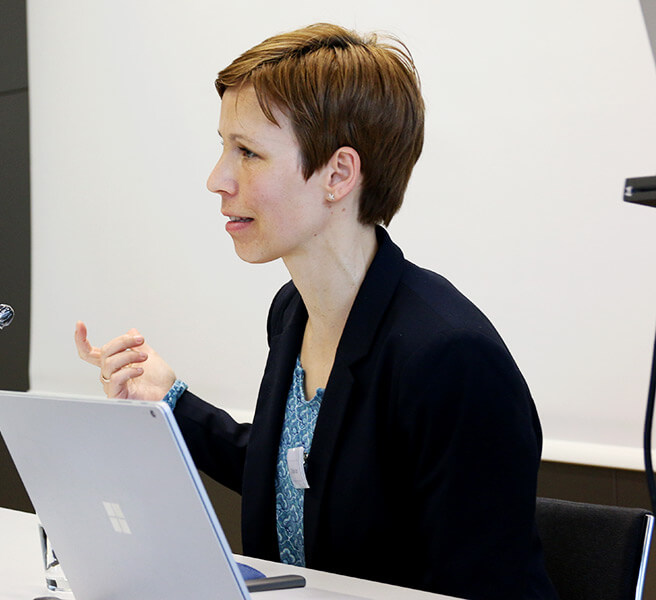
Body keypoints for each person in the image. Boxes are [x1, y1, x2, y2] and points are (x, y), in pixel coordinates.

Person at [74, 24, 556, 599]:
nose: (216, 179)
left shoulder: (450, 358)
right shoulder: (293, 313)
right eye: (224, 146)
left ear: (339, 175)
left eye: (247, 152)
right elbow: (303, 473)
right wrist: (170, 400)